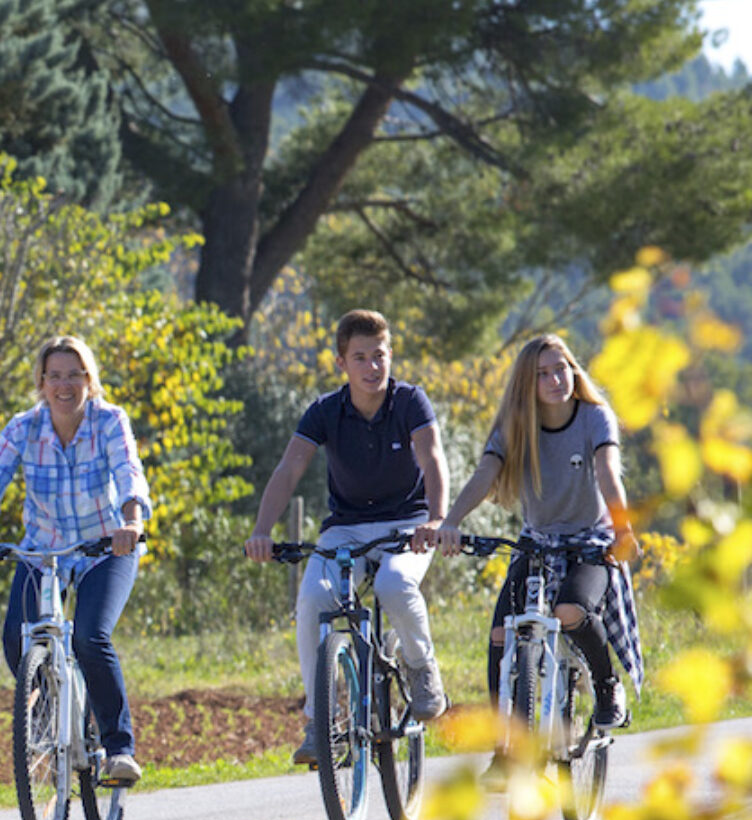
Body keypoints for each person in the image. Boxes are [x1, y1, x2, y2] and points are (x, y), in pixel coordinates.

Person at [244, 310, 451, 765]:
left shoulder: (411, 401)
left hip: (408, 525)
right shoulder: (324, 411)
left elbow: (433, 458)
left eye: (379, 356)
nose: (372, 367)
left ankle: (421, 667)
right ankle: (320, 720)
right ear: (341, 363)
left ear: (390, 355)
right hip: (346, 527)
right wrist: (261, 531)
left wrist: (436, 519)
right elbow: (289, 468)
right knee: (313, 600)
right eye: (360, 357)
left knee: (394, 585)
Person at [0, 336, 151, 784]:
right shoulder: (23, 427)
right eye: (54, 376)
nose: (64, 385)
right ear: (41, 383)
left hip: (105, 548)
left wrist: (132, 521)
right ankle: (46, 713)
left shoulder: (109, 421)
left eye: (74, 375)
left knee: (89, 636)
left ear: (89, 380)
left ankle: (119, 747)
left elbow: (128, 471)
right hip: (43, 550)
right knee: (15, 638)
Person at [427, 333, 641, 734]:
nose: (555, 379)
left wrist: (622, 526)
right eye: (543, 374)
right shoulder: (517, 425)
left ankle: (607, 685)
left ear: (573, 371)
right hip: (538, 542)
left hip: (589, 542)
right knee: (499, 635)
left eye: (561, 369)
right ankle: (504, 742)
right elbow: (484, 476)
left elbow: (609, 474)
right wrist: (452, 521)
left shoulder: (595, 416)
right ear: (529, 383)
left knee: (570, 611)